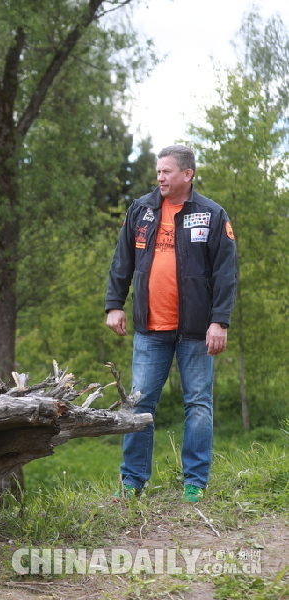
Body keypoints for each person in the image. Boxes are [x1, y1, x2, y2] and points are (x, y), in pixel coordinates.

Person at [104, 144, 238, 503]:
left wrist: (219, 322)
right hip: (150, 328)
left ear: (187, 174)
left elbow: (226, 274)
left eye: (166, 171)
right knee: (139, 402)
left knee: (198, 404)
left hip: (196, 331)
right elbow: (122, 260)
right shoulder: (142, 209)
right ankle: (132, 481)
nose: (159, 177)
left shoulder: (211, 214)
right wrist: (114, 304)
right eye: (158, 171)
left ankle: (194, 482)